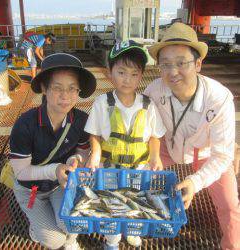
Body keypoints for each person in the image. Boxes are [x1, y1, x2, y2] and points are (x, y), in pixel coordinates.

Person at [144, 22, 240, 250]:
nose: (172, 71)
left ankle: (232, 245)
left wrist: (195, 182)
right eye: (165, 64)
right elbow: (145, 130)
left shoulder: (219, 98)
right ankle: (131, 227)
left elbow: (220, 155)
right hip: (166, 147)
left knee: (230, 205)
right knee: (136, 173)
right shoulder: (153, 91)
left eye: (181, 63)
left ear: (198, 64)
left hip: (205, 152)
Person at [9, 53, 96, 250]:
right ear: (44, 89)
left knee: (73, 224)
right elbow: (21, 172)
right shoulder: (26, 124)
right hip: (30, 189)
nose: (65, 96)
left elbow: (83, 152)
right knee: (54, 240)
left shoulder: (81, 121)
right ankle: (36, 226)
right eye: (57, 88)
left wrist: (76, 159)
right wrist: (56, 169)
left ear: (79, 91)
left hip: (58, 185)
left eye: (72, 88)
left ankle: (71, 241)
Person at [84, 40, 166, 249]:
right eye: (121, 72)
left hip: (139, 168)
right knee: (112, 205)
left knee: (137, 203)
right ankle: (111, 241)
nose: (127, 80)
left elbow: (155, 136)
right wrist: (95, 153)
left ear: (141, 75)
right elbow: (94, 133)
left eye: (134, 74)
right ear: (109, 72)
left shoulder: (148, 104)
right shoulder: (102, 103)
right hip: (110, 167)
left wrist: (155, 157)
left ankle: (131, 230)